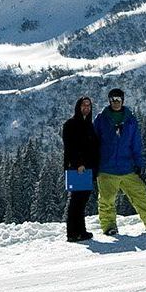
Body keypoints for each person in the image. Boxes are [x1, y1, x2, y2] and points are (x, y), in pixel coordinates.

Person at [94, 87, 146, 235]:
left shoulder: (130, 119)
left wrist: (139, 164)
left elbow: (136, 144)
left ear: (123, 100)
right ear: (109, 101)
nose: (115, 102)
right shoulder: (101, 119)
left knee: (140, 193)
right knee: (107, 200)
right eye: (113, 99)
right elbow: (94, 142)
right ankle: (109, 227)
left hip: (127, 167)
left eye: (118, 99)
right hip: (106, 168)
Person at [61, 96, 98, 242]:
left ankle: (81, 231)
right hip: (77, 168)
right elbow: (70, 147)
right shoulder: (71, 124)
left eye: (89, 105)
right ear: (78, 107)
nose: (86, 108)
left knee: (82, 201)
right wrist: (78, 164)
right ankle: (72, 233)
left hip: (88, 168)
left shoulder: (89, 124)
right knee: (76, 200)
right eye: (84, 105)